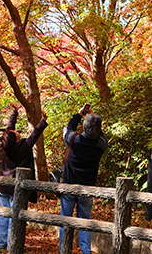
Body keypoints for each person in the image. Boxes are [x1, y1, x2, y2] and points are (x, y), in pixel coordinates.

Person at [0, 106, 48, 250]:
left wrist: (14, 112)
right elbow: (35, 134)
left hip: (3, 186)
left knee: (2, 217)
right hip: (16, 190)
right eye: (15, 132)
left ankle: (1, 245)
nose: (15, 130)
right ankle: (10, 246)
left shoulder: (7, 147)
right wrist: (43, 121)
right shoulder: (24, 146)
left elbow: (9, 127)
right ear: (15, 138)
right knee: (14, 219)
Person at [59, 104, 107, 254]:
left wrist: (79, 115)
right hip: (87, 188)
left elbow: (67, 128)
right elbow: (102, 137)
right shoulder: (100, 145)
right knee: (85, 222)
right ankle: (85, 251)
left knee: (65, 221)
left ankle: (64, 250)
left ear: (84, 127)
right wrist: (93, 119)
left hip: (68, 187)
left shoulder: (74, 139)